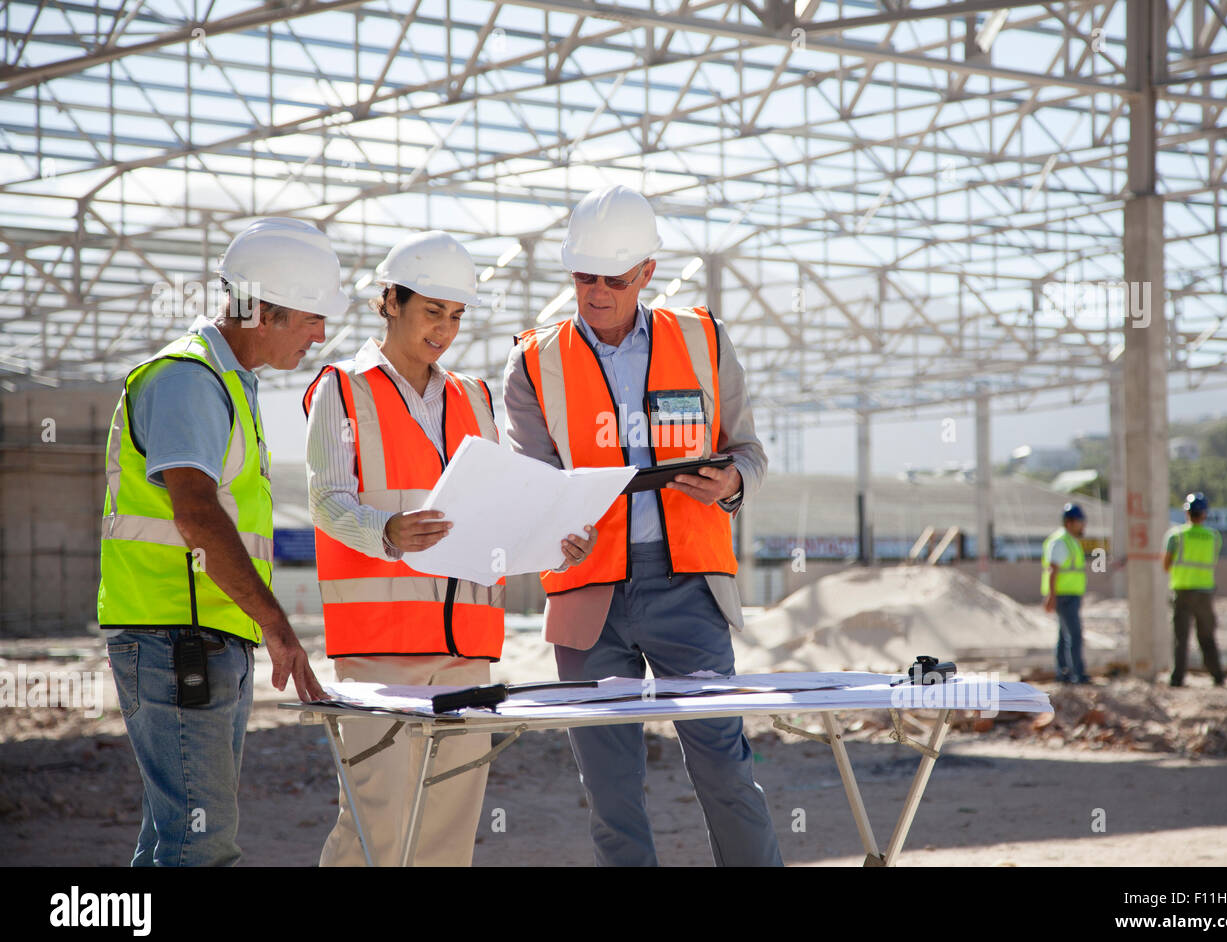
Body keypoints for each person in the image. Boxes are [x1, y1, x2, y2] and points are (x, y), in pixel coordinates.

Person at [504, 184, 783, 867]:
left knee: (724, 769)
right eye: (582, 277)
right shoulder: (533, 362)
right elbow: (528, 486)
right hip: (585, 595)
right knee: (610, 792)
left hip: (689, 588)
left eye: (613, 279)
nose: (595, 292)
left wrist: (732, 481)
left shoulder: (704, 339)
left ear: (647, 274)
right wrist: (550, 527)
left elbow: (749, 451)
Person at [304, 230, 595, 866]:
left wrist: (553, 544)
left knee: (446, 830)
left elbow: (498, 517)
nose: (445, 329)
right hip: (380, 646)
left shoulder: (475, 397)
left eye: (456, 316)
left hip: (466, 647)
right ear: (391, 302)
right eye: (433, 310)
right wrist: (384, 531)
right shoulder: (342, 389)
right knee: (375, 821)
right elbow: (325, 500)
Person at [99, 217, 340, 866]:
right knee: (198, 846)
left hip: (200, 637)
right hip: (177, 639)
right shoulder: (190, 379)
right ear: (262, 311)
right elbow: (198, 515)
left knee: (171, 839)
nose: (322, 335)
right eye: (312, 318)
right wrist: (277, 624)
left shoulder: (230, 381)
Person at [1163, 492, 1226, 687]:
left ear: (1186, 512)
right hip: (1205, 593)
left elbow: (1166, 564)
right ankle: (1217, 676)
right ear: (1205, 514)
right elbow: (1213, 561)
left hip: (1182, 592)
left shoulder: (1176, 536)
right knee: (1207, 636)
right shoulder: (1214, 537)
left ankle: (1177, 679)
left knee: (1180, 639)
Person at [1041, 502, 1090, 684]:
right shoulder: (1061, 541)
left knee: (1064, 635)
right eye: (1080, 521)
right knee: (1074, 635)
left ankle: (1064, 673)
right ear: (1069, 522)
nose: (1083, 525)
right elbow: (1053, 570)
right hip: (1064, 596)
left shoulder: (1070, 540)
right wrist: (1051, 596)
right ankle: (1077, 674)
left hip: (1070, 595)